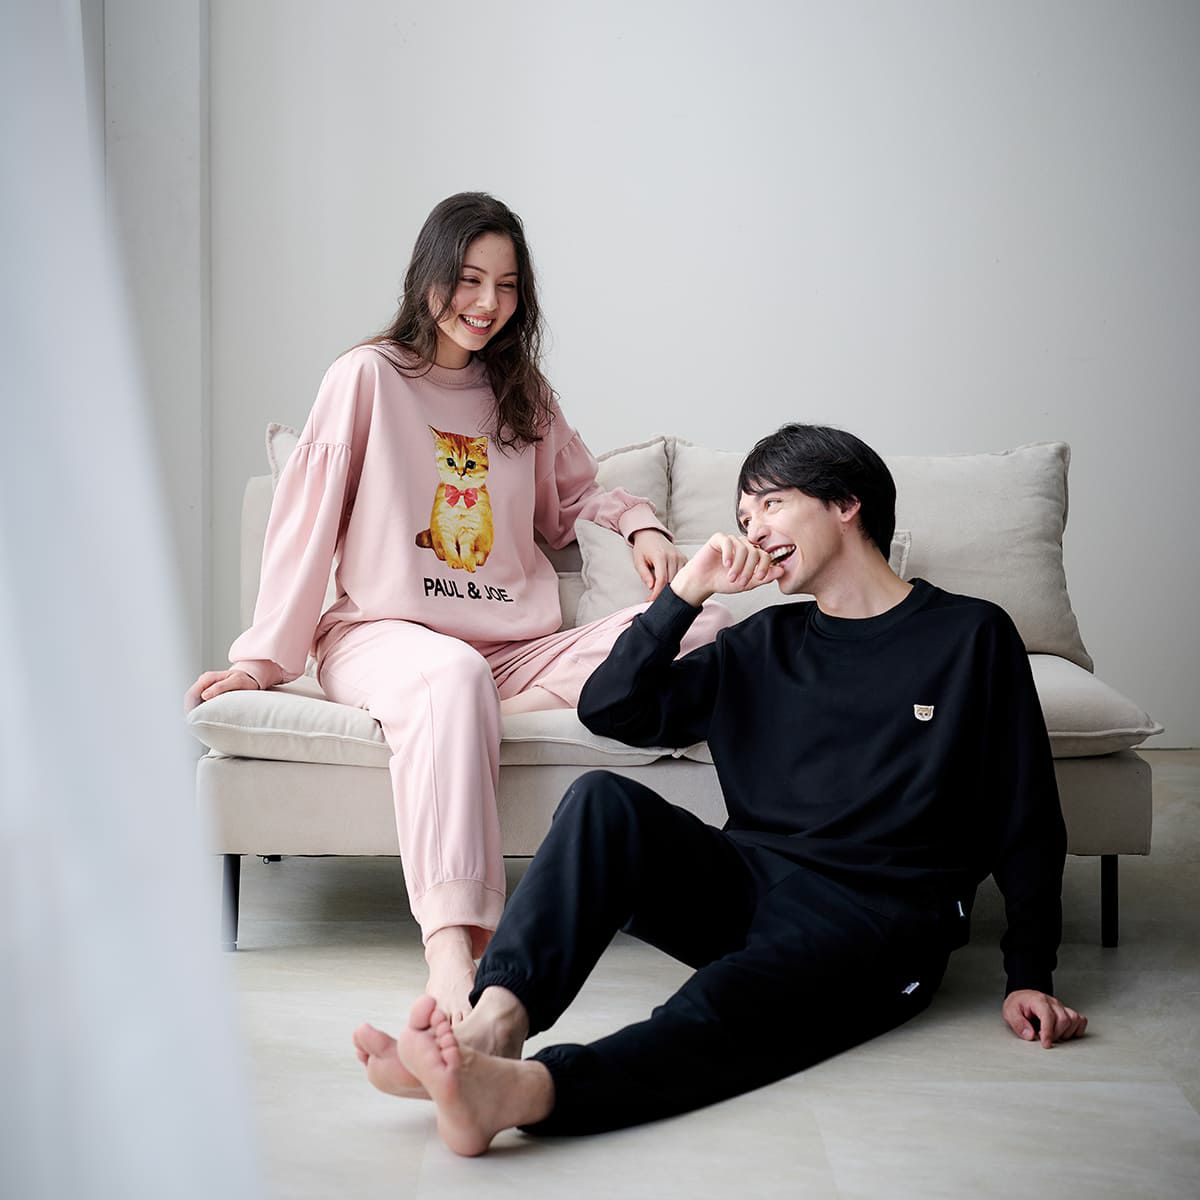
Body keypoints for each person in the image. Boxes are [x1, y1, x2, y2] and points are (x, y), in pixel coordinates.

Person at [348, 423, 1089, 1156]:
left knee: (725, 1002)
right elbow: (611, 708)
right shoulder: (761, 645)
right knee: (602, 803)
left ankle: (524, 1092)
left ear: (845, 503)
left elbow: (1024, 812)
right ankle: (492, 1029)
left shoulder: (969, 636)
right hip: (751, 885)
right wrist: (684, 594)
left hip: (879, 916)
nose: (752, 529)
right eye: (743, 515)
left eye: (771, 504)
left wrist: (1029, 974)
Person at [184, 193, 730, 1018]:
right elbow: (306, 518)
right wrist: (262, 661)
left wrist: (643, 525)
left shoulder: (522, 392)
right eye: (470, 279)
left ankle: (470, 718)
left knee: (706, 626)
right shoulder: (368, 376)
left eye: (507, 286)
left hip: (511, 655)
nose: (487, 303)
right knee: (448, 677)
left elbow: (576, 498)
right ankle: (453, 947)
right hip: (385, 636)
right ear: (429, 276)